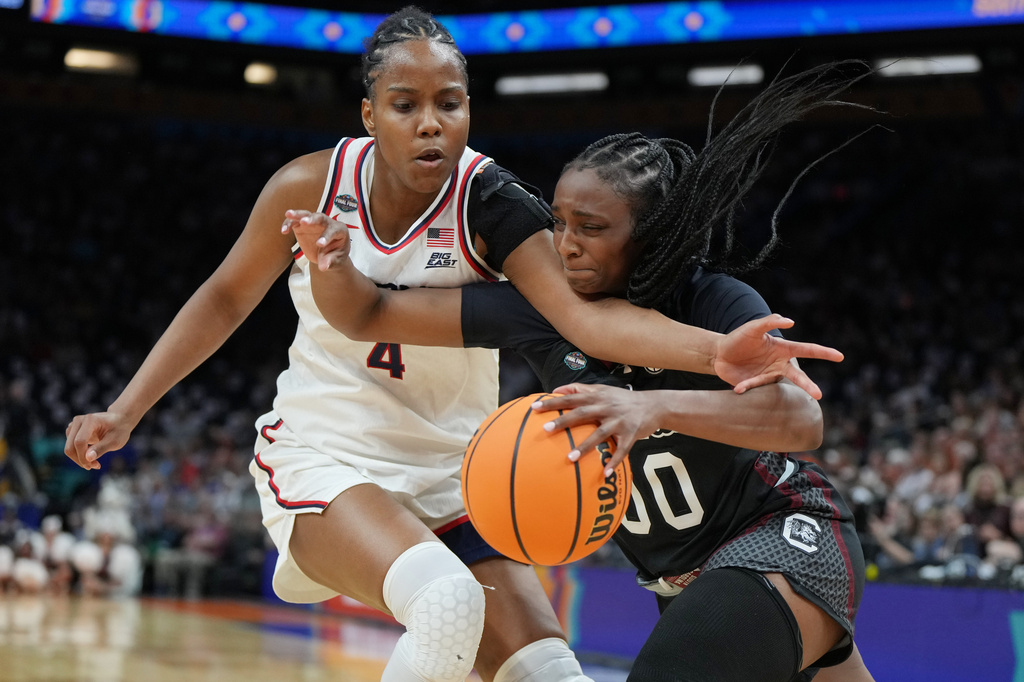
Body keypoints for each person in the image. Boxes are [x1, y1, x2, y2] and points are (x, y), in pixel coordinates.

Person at [63, 7, 843, 682]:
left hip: (457, 474)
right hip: (331, 453)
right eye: (405, 104)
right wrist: (127, 409)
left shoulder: (497, 205)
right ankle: (325, 542)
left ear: (470, 111)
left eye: (450, 103)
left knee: (550, 670)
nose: (430, 121)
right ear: (370, 115)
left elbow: (585, 321)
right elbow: (236, 296)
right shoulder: (308, 185)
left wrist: (714, 353)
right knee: (446, 606)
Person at [287, 60, 877, 682]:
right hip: (680, 582)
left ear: (651, 236)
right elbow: (372, 311)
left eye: (591, 229)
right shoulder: (542, 314)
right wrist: (329, 258)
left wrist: (651, 407)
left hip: (782, 532)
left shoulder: (714, 302)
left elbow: (801, 418)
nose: (563, 244)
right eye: (559, 222)